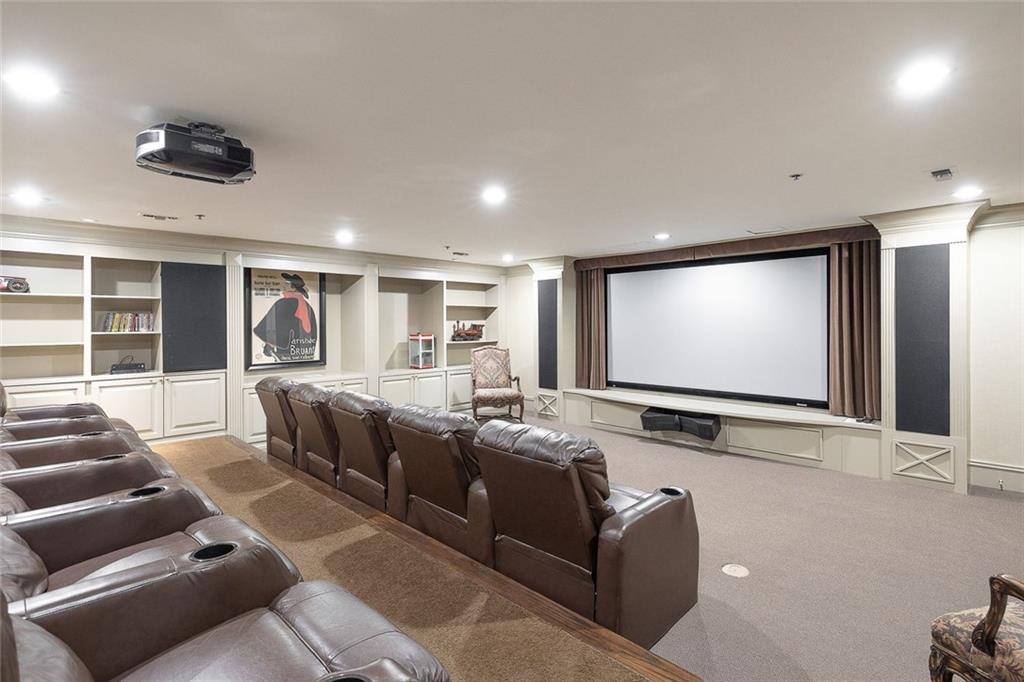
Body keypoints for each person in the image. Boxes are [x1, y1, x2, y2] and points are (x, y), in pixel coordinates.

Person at [253, 273, 318, 361]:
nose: (283, 286)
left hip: (286, 355)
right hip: (305, 354)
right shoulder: (308, 307)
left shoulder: (283, 303)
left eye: (286, 284)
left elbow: (273, 327)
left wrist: (270, 344)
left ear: (293, 288)